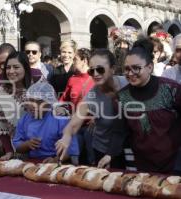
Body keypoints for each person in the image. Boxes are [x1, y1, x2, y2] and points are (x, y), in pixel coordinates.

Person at [56, 49, 128, 169]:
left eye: (100, 69)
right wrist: (66, 136)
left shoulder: (126, 84)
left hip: (128, 148)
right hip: (102, 150)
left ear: (113, 69)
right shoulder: (91, 96)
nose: (95, 74)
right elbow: (74, 124)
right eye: (91, 70)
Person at [118, 38, 181, 173]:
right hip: (141, 166)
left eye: (136, 68)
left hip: (174, 163)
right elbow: (121, 131)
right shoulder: (122, 96)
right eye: (127, 69)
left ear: (150, 67)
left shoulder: (171, 89)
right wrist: (109, 154)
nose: (130, 73)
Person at [12, 81, 79, 163]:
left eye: (39, 101)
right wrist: (27, 145)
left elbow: (71, 148)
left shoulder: (61, 116)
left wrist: (55, 160)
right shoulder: (25, 119)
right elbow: (17, 146)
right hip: (32, 162)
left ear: (49, 102)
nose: (33, 105)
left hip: (59, 162)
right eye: (31, 101)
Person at [0, 51, 33, 160]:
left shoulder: (38, 89)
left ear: (25, 68)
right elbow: (1, 126)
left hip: (43, 151)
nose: (11, 71)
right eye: (8, 67)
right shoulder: (2, 92)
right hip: (18, 154)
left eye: (16, 67)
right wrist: (9, 151)